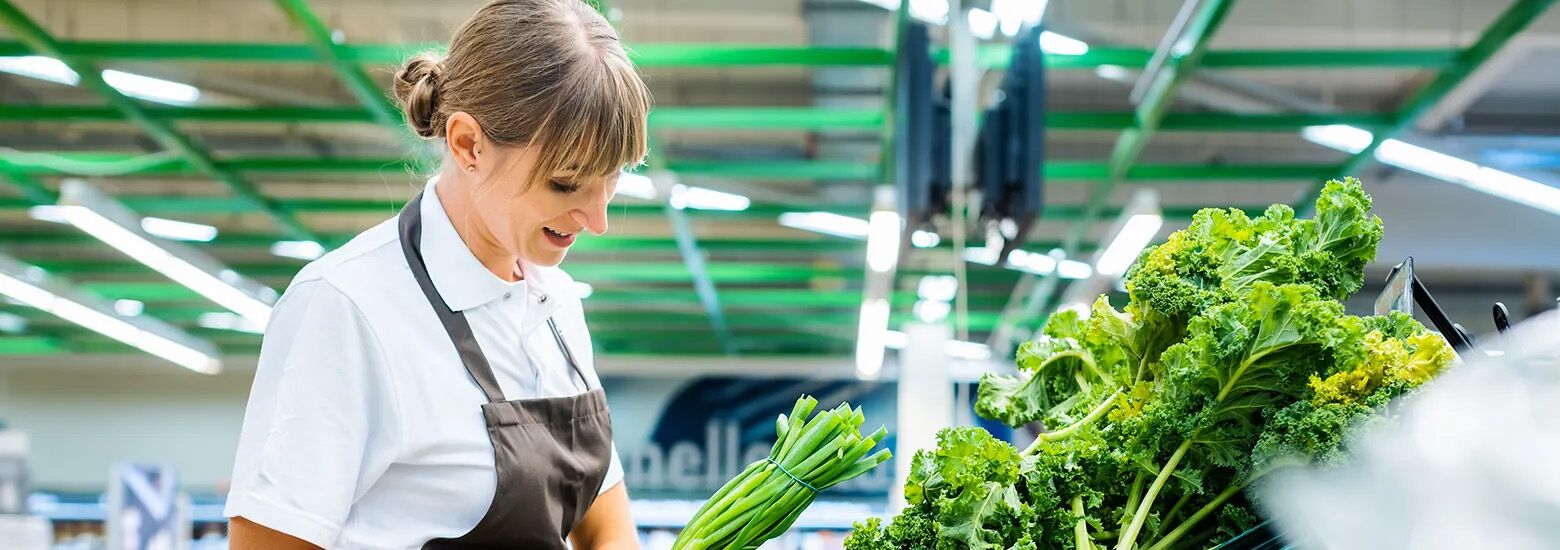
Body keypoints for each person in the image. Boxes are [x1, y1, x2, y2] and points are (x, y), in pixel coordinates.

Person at [223, 0, 649, 548]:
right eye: (565, 184)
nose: (598, 220)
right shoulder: (347, 308)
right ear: (468, 144)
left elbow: (606, 527)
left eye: (611, 179)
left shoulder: (558, 304)